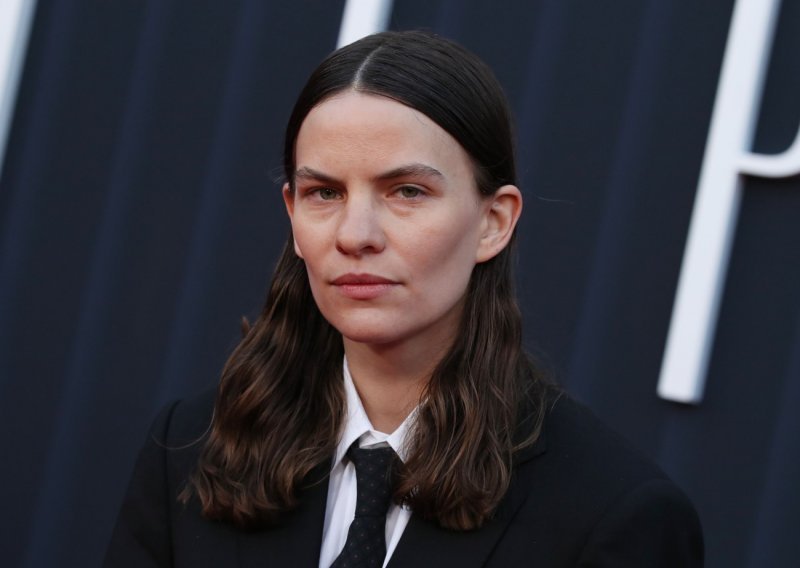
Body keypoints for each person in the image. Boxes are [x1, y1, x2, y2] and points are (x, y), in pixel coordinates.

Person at [104, 30, 703, 567]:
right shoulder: (189, 450)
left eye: (407, 191)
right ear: (292, 215)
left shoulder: (612, 514)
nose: (355, 235)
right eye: (324, 193)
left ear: (494, 221)